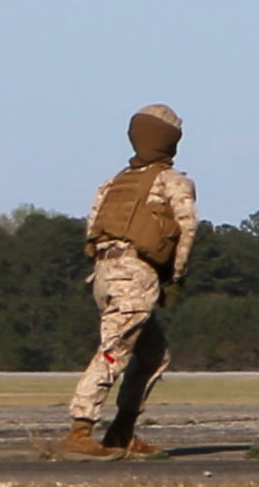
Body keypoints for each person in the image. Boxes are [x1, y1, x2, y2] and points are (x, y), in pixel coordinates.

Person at [68, 107, 198, 457]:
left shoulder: (112, 184)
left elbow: (91, 230)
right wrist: (176, 276)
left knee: (154, 353)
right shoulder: (172, 181)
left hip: (103, 273)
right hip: (136, 273)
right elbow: (187, 230)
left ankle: (122, 432)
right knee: (115, 347)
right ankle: (81, 428)